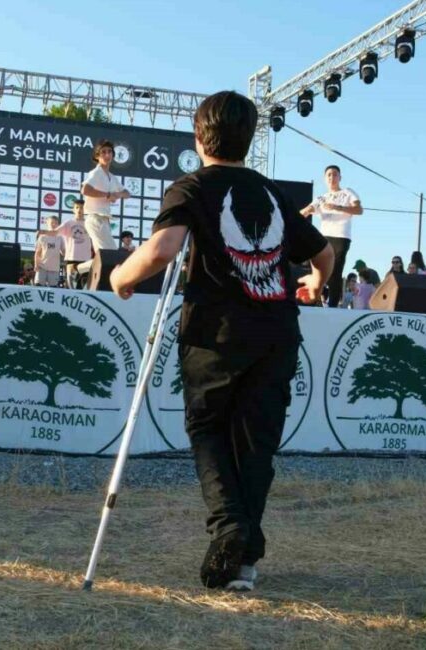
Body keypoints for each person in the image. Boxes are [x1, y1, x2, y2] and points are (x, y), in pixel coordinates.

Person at [108, 90, 334, 593]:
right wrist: (317, 284)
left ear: (197, 137)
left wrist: (121, 276)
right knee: (256, 445)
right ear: (250, 141)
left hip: (215, 336)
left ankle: (230, 531)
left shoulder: (191, 187)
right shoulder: (274, 194)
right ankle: (242, 562)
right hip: (276, 334)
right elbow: (322, 254)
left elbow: (164, 249)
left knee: (208, 430)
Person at [299, 165, 362, 307]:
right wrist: (307, 210)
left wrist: (337, 207)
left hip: (341, 236)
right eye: (329, 175)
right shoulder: (321, 198)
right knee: (317, 268)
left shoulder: (347, 192)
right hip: (324, 237)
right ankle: (314, 301)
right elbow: (304, 212)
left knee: (335, 270)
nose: (331, 177)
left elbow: (359, 209)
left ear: (340, 177)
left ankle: (333, 305)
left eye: (334, 175)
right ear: (324, 178)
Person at [81, 140, 128, 253]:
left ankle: (85, 270)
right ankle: (83, 269)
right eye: (103, 152)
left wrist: (117, 194)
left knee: (104, 256)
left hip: (104, 220)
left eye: (109, 152)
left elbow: (127, 193)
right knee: (109, 254)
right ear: (97, 156)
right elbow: (85, 190)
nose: (107, 155)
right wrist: (107, 195)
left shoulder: (112, 177)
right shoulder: (96, 172)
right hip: (95, 218)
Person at [41, 198, 94, 288]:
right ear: (73, 210)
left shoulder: (90, 223)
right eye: (77, 207)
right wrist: (43, 232)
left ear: (85, 209)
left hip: (86, 259)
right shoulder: (68, 223)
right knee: (71, 287)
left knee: (82, 288)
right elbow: (55, 232)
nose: (79, 210)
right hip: (71, 259)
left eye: (82, 208)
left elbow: (95, 240)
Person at [34, 216, 64, 287]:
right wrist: (36, 264)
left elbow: (63, 251)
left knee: (53, 290)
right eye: (52, 223)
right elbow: (37, 253)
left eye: (56, 223)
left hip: (54, 269)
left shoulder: (60, 238)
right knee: (39, 288)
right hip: (42, 267)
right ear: (47, 224)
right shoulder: (42, 237)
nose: (54, 224)